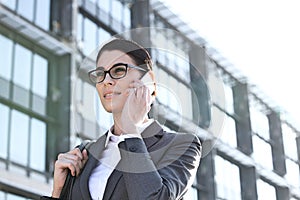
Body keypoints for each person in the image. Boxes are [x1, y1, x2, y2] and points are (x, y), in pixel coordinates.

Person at [41, 38, 201, 200]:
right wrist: (58, 193)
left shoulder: (181, 145)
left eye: (118, 70)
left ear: (148, 80)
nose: (106, 81)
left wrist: (129, 129)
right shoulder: (85, 153)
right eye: (100, 74)